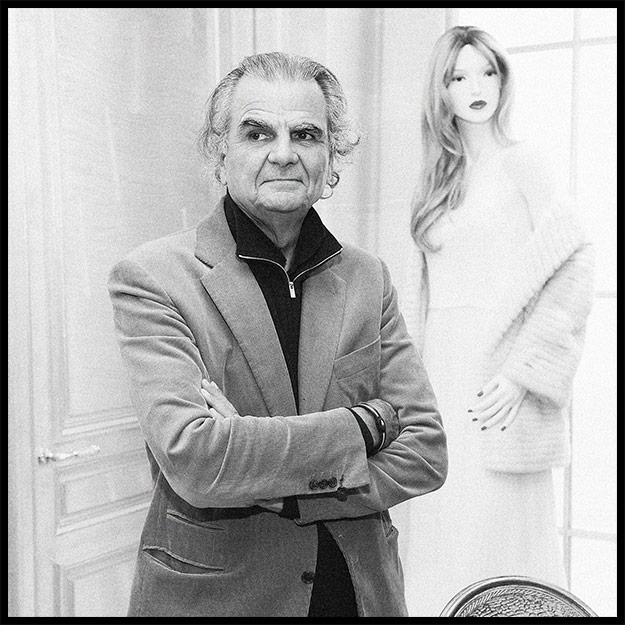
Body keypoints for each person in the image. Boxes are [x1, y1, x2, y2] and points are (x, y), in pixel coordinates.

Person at [107, 51, 447, 618]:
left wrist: (275, 483)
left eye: (306, 134)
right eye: (258, 132)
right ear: (221, 151)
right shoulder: (152, 277)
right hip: (218, 599)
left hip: (355, 594)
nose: (284, 153)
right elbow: (197, 458)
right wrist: (363, 426)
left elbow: (426, 451)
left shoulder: (368, 277)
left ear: (331, 155)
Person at [400, 26, 595, 616]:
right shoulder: (436, 181)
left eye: (487, 71)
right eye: (459, 76)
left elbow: (575, 263)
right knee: (441, 523)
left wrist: (521, 374)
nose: (476, 86)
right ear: (441, 90)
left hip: (499, 378)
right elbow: (420, 297)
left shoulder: (524, 162)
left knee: (501, 531)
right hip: (440, 373)